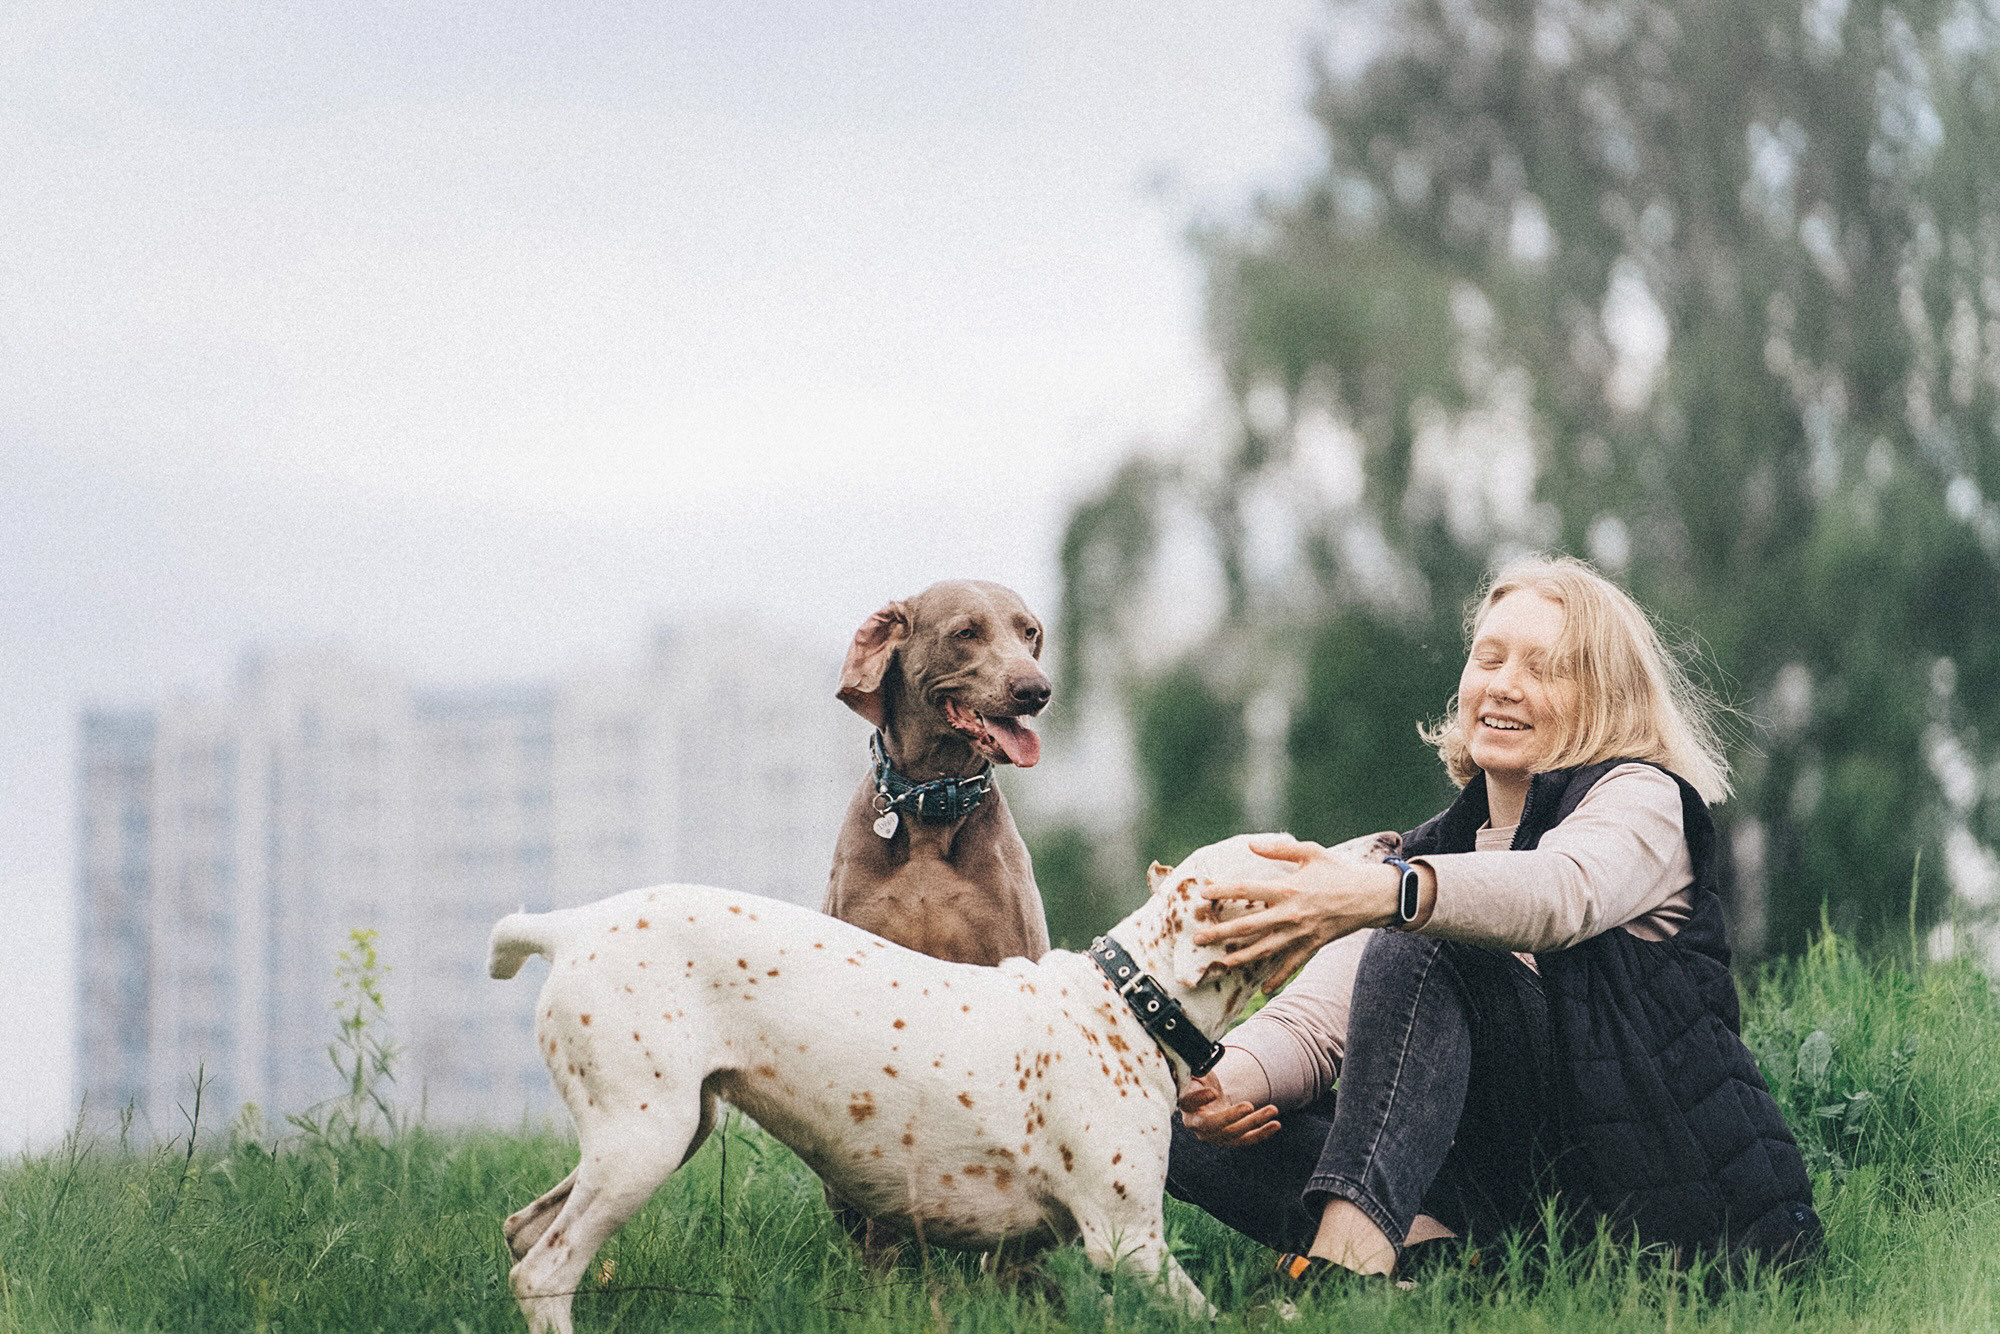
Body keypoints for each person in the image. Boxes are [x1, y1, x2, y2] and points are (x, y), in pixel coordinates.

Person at [1165, 556, 1820, 1284]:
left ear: (1606, 697)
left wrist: (1383, 892)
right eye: (1489, 657)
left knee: (1429, 937)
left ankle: (1343, 1276)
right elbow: (1313, 1027)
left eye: (1545, 668)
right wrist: (1219, 1086)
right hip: (1502, 1206)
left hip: (1659, 1206)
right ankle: (1442, 1262)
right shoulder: (1428, 856)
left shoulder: (1642, 800)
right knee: (1158, 1112)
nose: (1504, 684)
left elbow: (1557, 893)